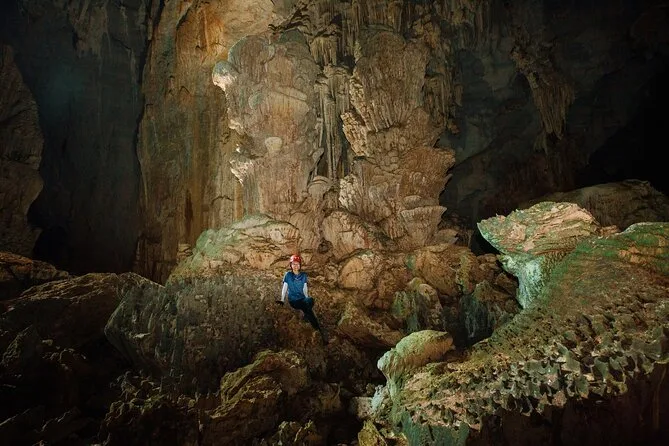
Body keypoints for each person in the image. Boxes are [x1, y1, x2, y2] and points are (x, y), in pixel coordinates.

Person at [276, 254, 328, 344]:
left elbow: (304, 288)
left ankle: (309, 319)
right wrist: (282, 299)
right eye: (293, 264)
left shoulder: (303, 275)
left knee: (310, 301)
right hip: (294, 301)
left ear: (300, 265)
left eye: (297, 264)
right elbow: (285, 287)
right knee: (309, 311)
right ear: (291, 265)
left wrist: (306, 298)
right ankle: (319, 330)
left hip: (302, 299)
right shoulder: (288, 275)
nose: (295, 266)